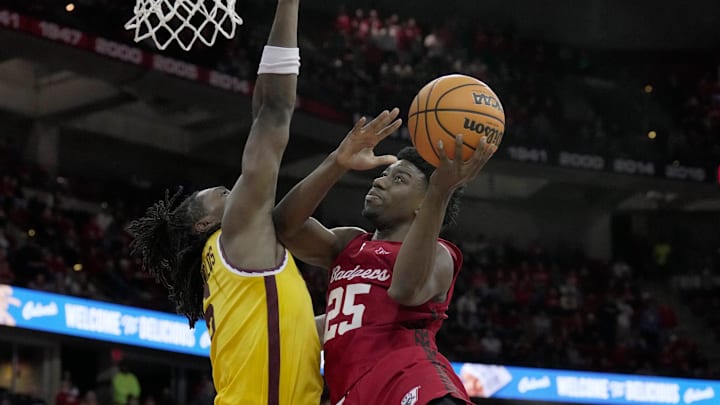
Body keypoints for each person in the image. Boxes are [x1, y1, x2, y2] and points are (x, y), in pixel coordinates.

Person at [126, 0, 324, 403]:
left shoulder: (229, 260)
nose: (233, 193)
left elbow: (296, 330)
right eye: (222, 195)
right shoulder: (235, 237)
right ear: (204, 224)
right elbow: (274, 112)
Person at [274, 109, 497, 405]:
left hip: (411, 381)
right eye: (383, 174)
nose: (379, 182)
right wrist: (337, 162)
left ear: (424, 202)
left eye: (399, 179)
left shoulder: (440, 254)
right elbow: (284, 226)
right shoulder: (348, 243)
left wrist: (440, 193)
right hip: (353, 392)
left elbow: (404, 290)